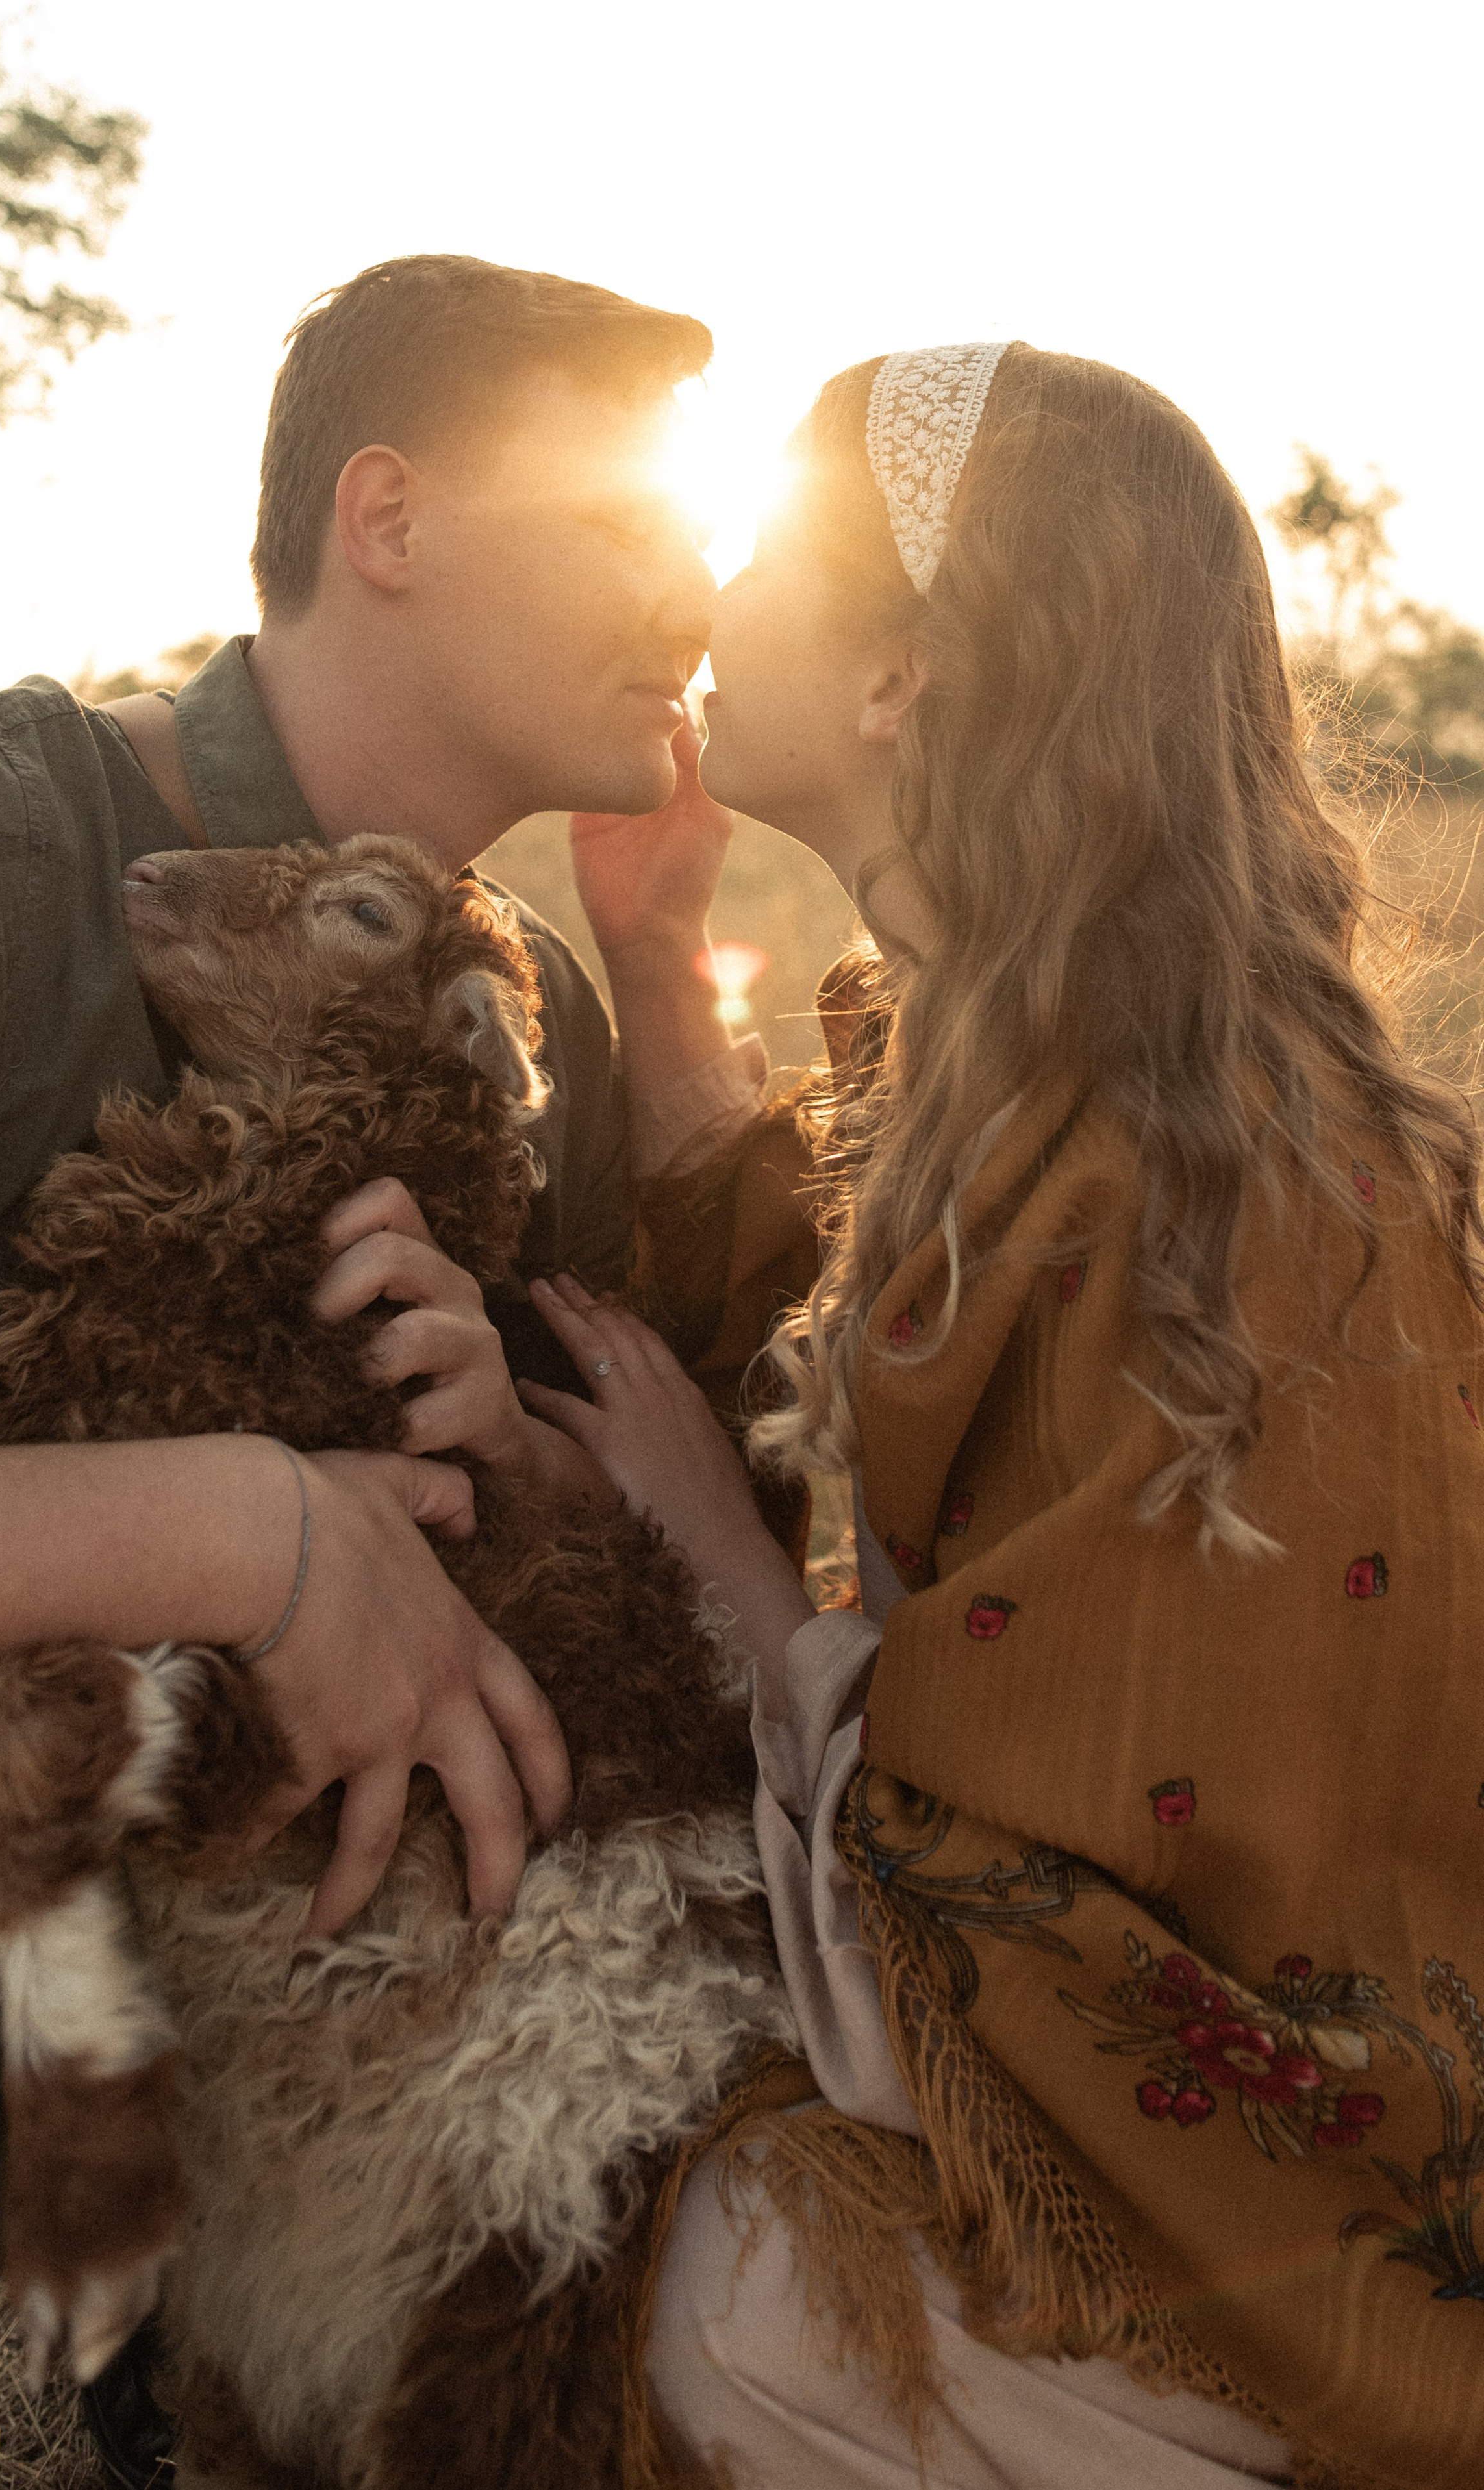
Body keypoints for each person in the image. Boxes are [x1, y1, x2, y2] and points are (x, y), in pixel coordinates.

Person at [523, 344, 1484, 2487]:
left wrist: (723, 1557)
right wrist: (665, 967)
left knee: (719, 2281)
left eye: (766, 540)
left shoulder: (1246, 1194)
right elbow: (860, 1293)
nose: (704, 570)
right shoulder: (1042, 1058)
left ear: (904, 678)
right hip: (1204, 2153)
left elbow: (1086, 1868)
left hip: (1294, 2218)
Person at [0, 253, 716, 2490]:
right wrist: (245, 1528)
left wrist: (673, 976)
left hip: (262, 1943)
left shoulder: (544, 1038)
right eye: (625, 518)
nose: (698, 584)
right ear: (385, 521)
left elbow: (645, 1558)